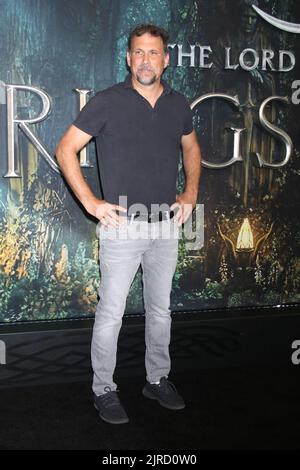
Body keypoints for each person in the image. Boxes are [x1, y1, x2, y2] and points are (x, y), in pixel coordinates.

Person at [56, 24, 201, 424]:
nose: (146, 60)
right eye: (139, 52)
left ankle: (157, 380)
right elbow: (66, 149)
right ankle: (103, 388)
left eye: (153, 53)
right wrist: (90, 202)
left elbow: (191, 148)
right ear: (128, 58)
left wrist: (189, 194)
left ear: (166, 60)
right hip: (121, 226)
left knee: (160, 311)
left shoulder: (178, 104)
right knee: (111, 313)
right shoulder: (107, 101)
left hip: (165, 227)